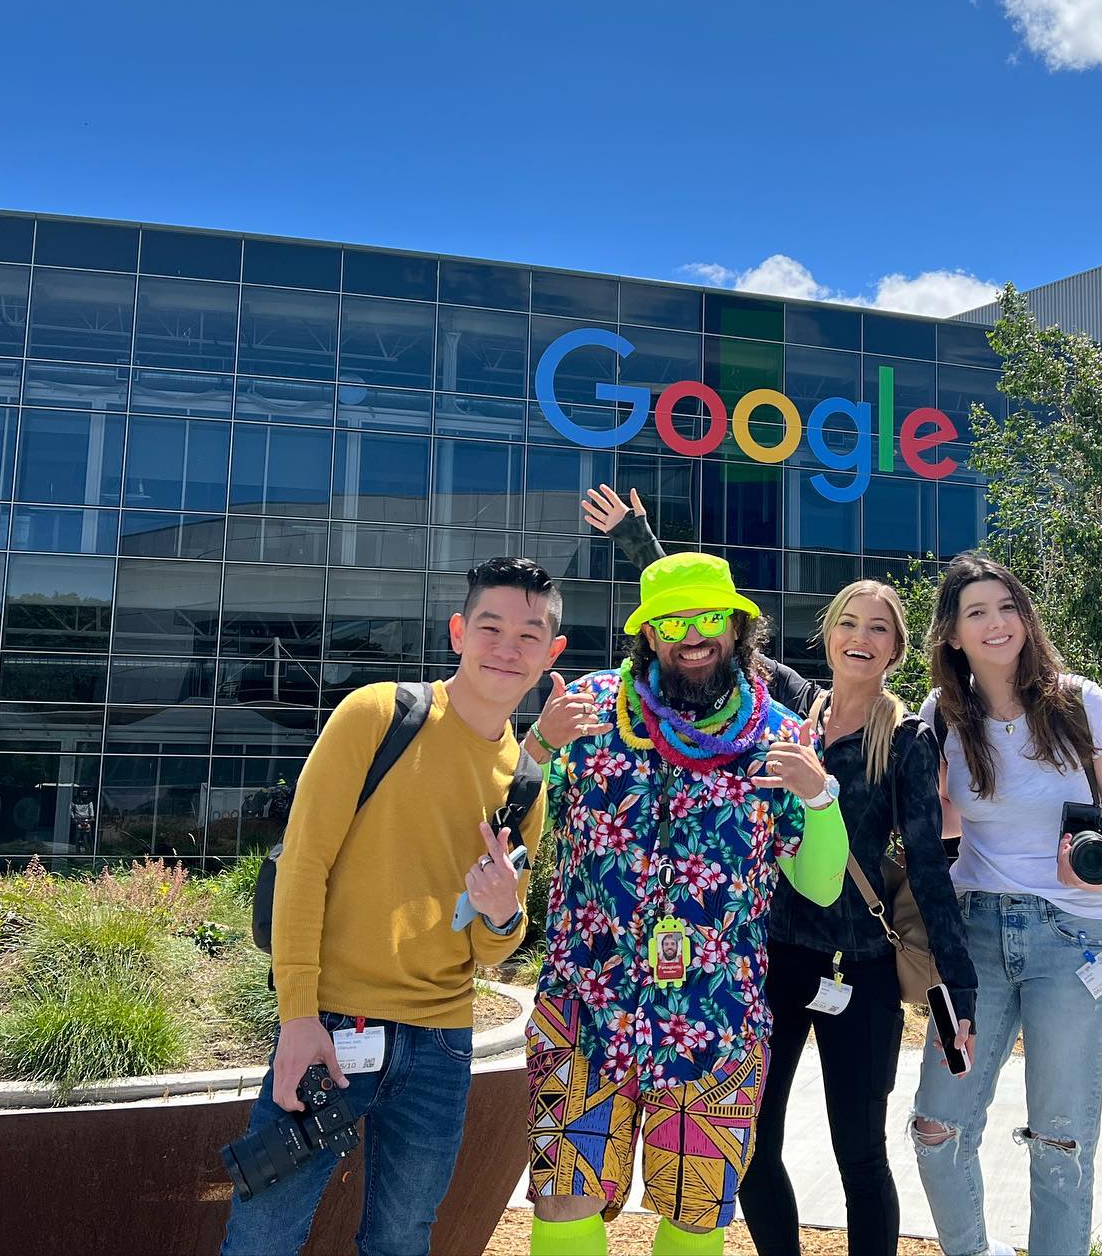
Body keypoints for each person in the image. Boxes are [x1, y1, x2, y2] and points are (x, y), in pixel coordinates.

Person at [584, 485, 976, 1256]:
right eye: (849, 624)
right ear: (827, 636)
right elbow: (700, 628)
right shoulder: (791, 704)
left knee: (860, 1155)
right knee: (752, 1145)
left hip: (859, 971)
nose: (861, 639)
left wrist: (955, 992)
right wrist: (638, 539)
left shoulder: (907, 741)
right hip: (774, 961)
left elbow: (929, 870)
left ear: (896, 650)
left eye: (879, 630)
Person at [221, 556, 601, 1256]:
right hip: (331, 1026)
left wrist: (498, 914)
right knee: (264, 1236)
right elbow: (304, 866)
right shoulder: (378, 714)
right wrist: (299, 1017)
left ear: (551, 656)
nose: (506, 648)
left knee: (402, 1241)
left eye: (527, 636)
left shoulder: (524, 780)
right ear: (459, 631)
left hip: (438, 1047)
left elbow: (493, 943)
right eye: (490, 626)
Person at [525, 547, 851, 1256]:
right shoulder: (586, 714)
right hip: (586, 1010)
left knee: (696, 1216)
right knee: (563, 1205)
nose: (693, 637)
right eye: (672, 624)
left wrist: (818, 796)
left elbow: (821, 885)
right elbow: (504, 831)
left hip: (715, 1021)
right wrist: (533, 750)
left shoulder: (779, 738)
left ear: (738, 628)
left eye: (709, 618)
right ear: (647, 634)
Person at [909, 552, 1102, 1256]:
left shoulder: (1081, 702)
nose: (996, 624)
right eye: (976, 612)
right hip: (975, 940)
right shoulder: (941, 714)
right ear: (951, 634)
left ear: (1026, 616)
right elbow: (952, 822)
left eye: (1007, 606)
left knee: (1060, 1142)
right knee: (937, 1127)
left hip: (1074, 942)